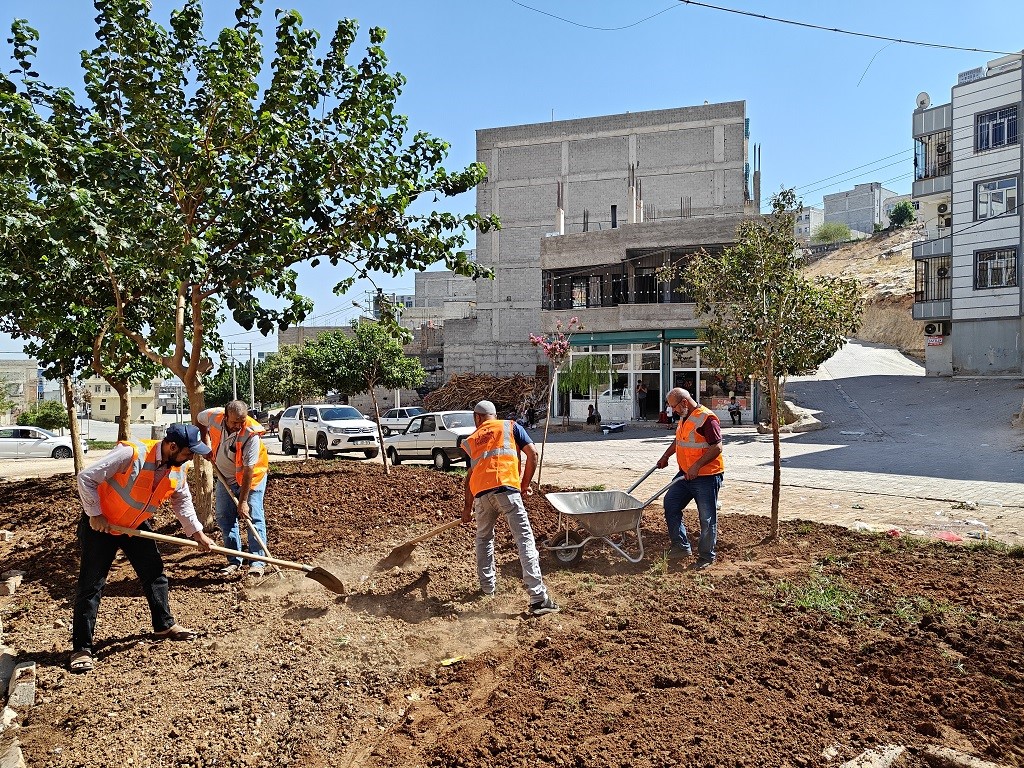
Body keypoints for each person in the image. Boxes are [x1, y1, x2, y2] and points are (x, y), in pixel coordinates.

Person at [71, 424, 215, 673]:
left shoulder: (178, 469)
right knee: (91, 585)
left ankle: (164, 625)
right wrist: (94, 513)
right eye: (188, 452)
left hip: (135, 525)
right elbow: (86, 478)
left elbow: (182, 502)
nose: (191, 457)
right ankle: (82, 648)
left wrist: (198, 533)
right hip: (102, 526)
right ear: (172, 446)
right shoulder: (132, 454)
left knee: (155, 574)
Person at [461, 400, 560, 616]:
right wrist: (524, 486)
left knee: (484, 540)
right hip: (507, 490)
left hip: (481, 497)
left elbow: (470, 475)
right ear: (493, 415)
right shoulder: (511, 426)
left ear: (477, 418)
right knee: (524, 539)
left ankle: (487, 589)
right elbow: (532, 454)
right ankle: (537, 598)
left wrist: (467, 509)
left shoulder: (473, 439)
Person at [198, 401, 270, 578]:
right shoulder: (213, 416)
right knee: (224, 517)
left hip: (252, 479)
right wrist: (204, 442)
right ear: (225, 417)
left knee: (253, 517)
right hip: (225, 478)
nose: (238, 426)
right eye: (234, 422)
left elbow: (248, 470)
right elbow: (199, 421)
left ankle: (257, 563)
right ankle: (234, 560)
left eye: (242, 421)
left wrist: (243, 501)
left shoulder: (251, 435)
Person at [656, 388, 725, 571]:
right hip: (685, 475)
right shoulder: (684, 417)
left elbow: (717, 447)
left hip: (706, 476)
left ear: (684, 402)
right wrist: (666, 456)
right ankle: (680, 546)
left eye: (674, 407)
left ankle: (706, 556)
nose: (673, 411)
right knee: (671, 503)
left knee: (706, 517)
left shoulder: (707, 418)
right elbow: (679, 441)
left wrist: (696, 466)